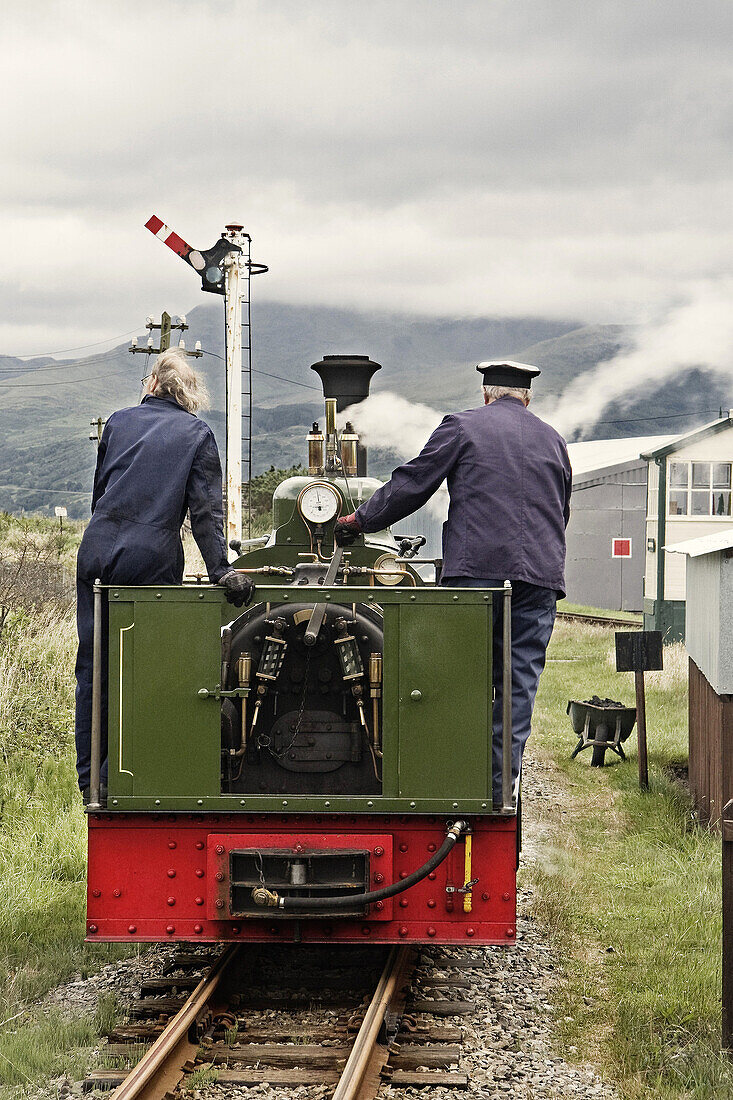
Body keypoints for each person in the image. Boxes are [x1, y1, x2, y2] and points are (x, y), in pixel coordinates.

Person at [335, 361, 572, 805]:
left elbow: (413, 486)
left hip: (476, 575)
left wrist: (358, 521)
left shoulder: (462, 427)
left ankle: (453, 784)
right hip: (539, 579)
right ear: (528, 398)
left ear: (486, 394)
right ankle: (500, 791)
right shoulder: (554, 440)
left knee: (458, 681)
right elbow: (561, 512)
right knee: (517, 688)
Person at [75, 348, 253, 803]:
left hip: (96, 550)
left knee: (95, 667)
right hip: (149, 557)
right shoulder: (197, 434)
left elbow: (102, 492)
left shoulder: (117, 421)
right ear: (189, 395)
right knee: (149, 669)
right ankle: (135, 776)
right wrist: (221, 573)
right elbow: (206, 515)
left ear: (152, 384)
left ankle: (91, 781)